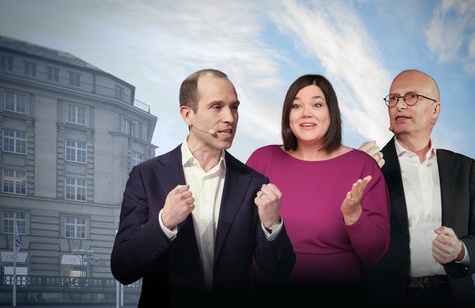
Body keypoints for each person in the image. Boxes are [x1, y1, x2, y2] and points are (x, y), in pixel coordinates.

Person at [110, 69, 296, 306]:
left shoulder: (255, 184)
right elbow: (123, 268)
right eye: (217, 107)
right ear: (188, 115)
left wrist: (273, 226)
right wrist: (164, 223)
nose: (230, 117)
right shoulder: (146, 176)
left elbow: (278, 275)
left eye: (234, 107)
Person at [360, 69, 475, 307]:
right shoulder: (366, 166)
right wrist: (355, 180)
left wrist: (461, 250)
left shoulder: (464, 168)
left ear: (435, 110)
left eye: (411, 96)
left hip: (454, 297)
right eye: (393, 98)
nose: (399, 106)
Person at [246, 74, 390, 302]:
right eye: (296, 105)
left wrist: (354, 217)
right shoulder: (262, 158)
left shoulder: (362, 165)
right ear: (287, 114)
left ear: (331, 112)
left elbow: (375, 253)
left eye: (317, 104)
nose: (306, 113)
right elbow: (241, 237)